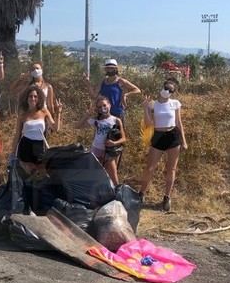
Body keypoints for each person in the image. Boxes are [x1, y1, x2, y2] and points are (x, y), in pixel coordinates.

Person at [138, 79, 188, 211]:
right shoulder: (153, 104)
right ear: (162, 87)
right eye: (166, 88)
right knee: (150, 167)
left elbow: (179, 123)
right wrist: (145, 108)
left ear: (173, 93)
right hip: (159, 136)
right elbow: (148, 123)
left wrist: (184, 140)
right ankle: (141, 193)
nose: (167, 91)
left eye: (171, 90)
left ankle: (167, 197)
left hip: (172, 136)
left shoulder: (175, 103)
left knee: (171, 169)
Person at [11, 85, 62, 179]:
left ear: (39, 98)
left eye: (35, 96)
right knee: (27, 169)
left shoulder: (44, 112)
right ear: (26, 98)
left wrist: (58, 113)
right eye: (30, 96)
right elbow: (17, 135)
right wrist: (13, 152)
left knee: (42, 169)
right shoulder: (22, 116)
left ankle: (47, 187)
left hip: (39, 144)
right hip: (25, 144)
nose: (33, 98)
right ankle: (31, 185)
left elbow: (55, 129)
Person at [74, 96, 126, 186]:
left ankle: (116, 194)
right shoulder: (96, 120)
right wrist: (87, 115)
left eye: (104, 105)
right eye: (99, 107)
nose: (103, 108)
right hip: (96, 149)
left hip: (109, 152)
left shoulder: (116, 120)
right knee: (95, 176)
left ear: (109, 105)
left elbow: (123, 139)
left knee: (113, 177)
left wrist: (114, 143)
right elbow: (77, 126)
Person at [83, 58, 141, 122]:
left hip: (117, 113)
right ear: (105, 69)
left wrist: (126, 95)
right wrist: (88, 84)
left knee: (118, 131)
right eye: (108, 68)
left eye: (112, 68)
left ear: (116, 69)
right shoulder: (102, 81)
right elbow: (94, 96)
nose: (110, 70)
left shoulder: (120, 81)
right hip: (104, 113)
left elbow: (137, 90)